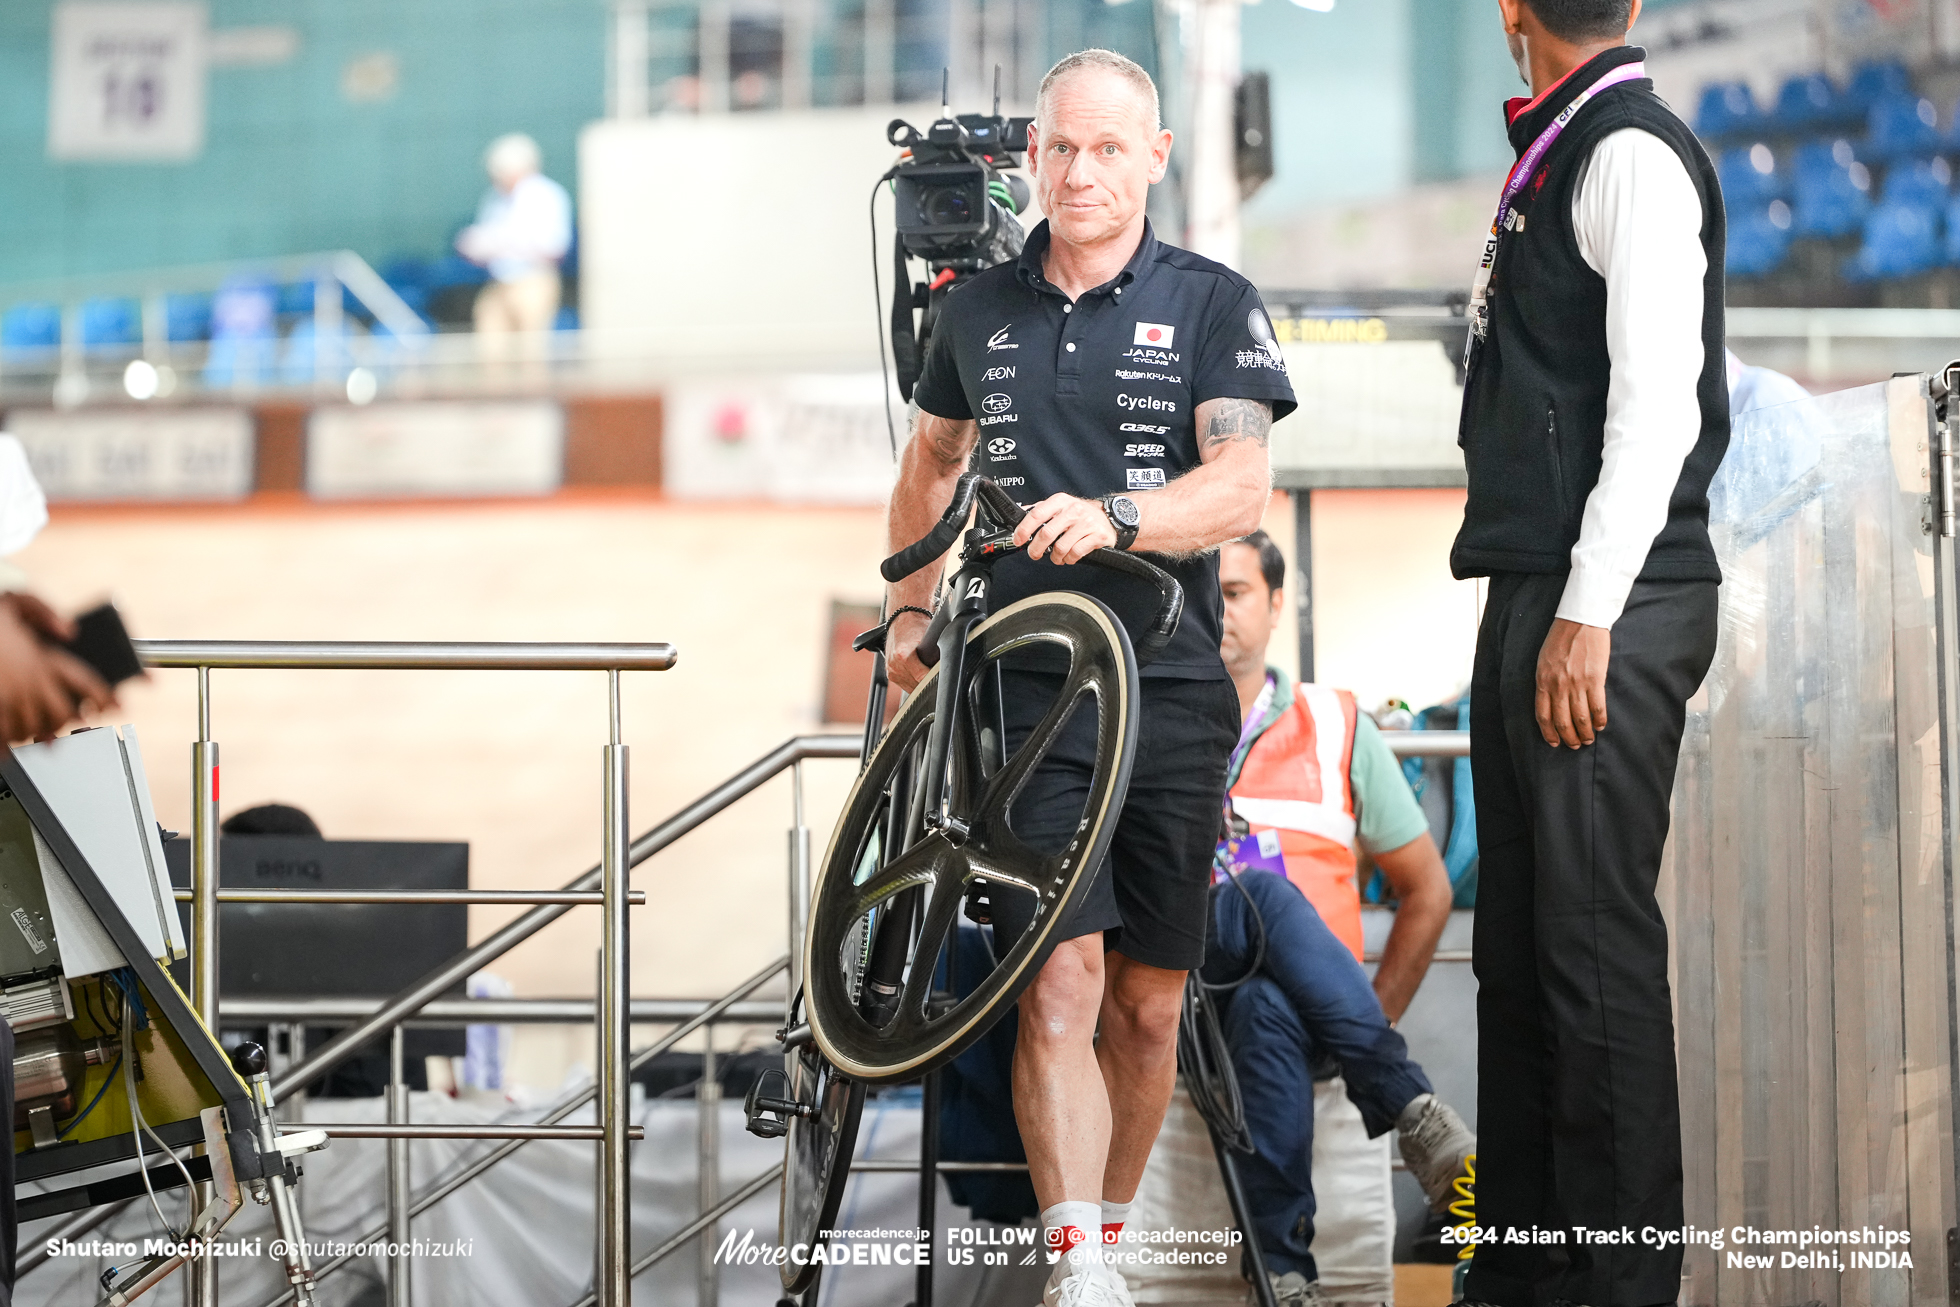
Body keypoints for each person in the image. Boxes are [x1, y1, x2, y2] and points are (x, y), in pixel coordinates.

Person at [887, 48, 1296, 1307]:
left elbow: (1242, 485)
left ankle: (1102, 1239)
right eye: (1060, 147)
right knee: (1057, 973)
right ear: (1032, 157)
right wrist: (906, 619)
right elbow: (931, 463)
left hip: (1170, 685)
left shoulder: (1215, 301)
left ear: (1155, 157)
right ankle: (1079, 1267)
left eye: (1108, 148)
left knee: (1150, 1001)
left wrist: (1117, 514)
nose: (1079, 170)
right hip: (1025, 690)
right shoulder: (974, 313)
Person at [1449, 2, 1728, 1305]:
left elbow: (1657, 401)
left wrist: (1591, 604)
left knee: (1589, 951)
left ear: (1514, 13)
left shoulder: (1628, 148)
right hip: (1538, 586)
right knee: (1516, 946)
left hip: (1606, 596)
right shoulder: (1565, 145)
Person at [1209, 531, 1474, 1306]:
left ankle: (1284, 1278)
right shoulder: (1144, 716)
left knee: (1268, 1003)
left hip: (1309, 1018)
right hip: (1189, 993)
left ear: (1276, 601)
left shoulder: (1339, 723)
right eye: (1203, 592)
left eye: (1234, 592)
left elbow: (1426, 889)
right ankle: (1409, 1106)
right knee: (1264, 895)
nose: (1217, 610)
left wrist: (1364, 1013)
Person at [454, 133, 572, 373]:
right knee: (490, 349)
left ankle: (532, 402)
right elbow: (486, 239)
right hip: (499, 281)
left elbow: (555, 248)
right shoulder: (494, 198)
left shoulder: (547, 196)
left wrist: (507, 244)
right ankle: (498, 404)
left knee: (531, 352)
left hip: (533, 281)